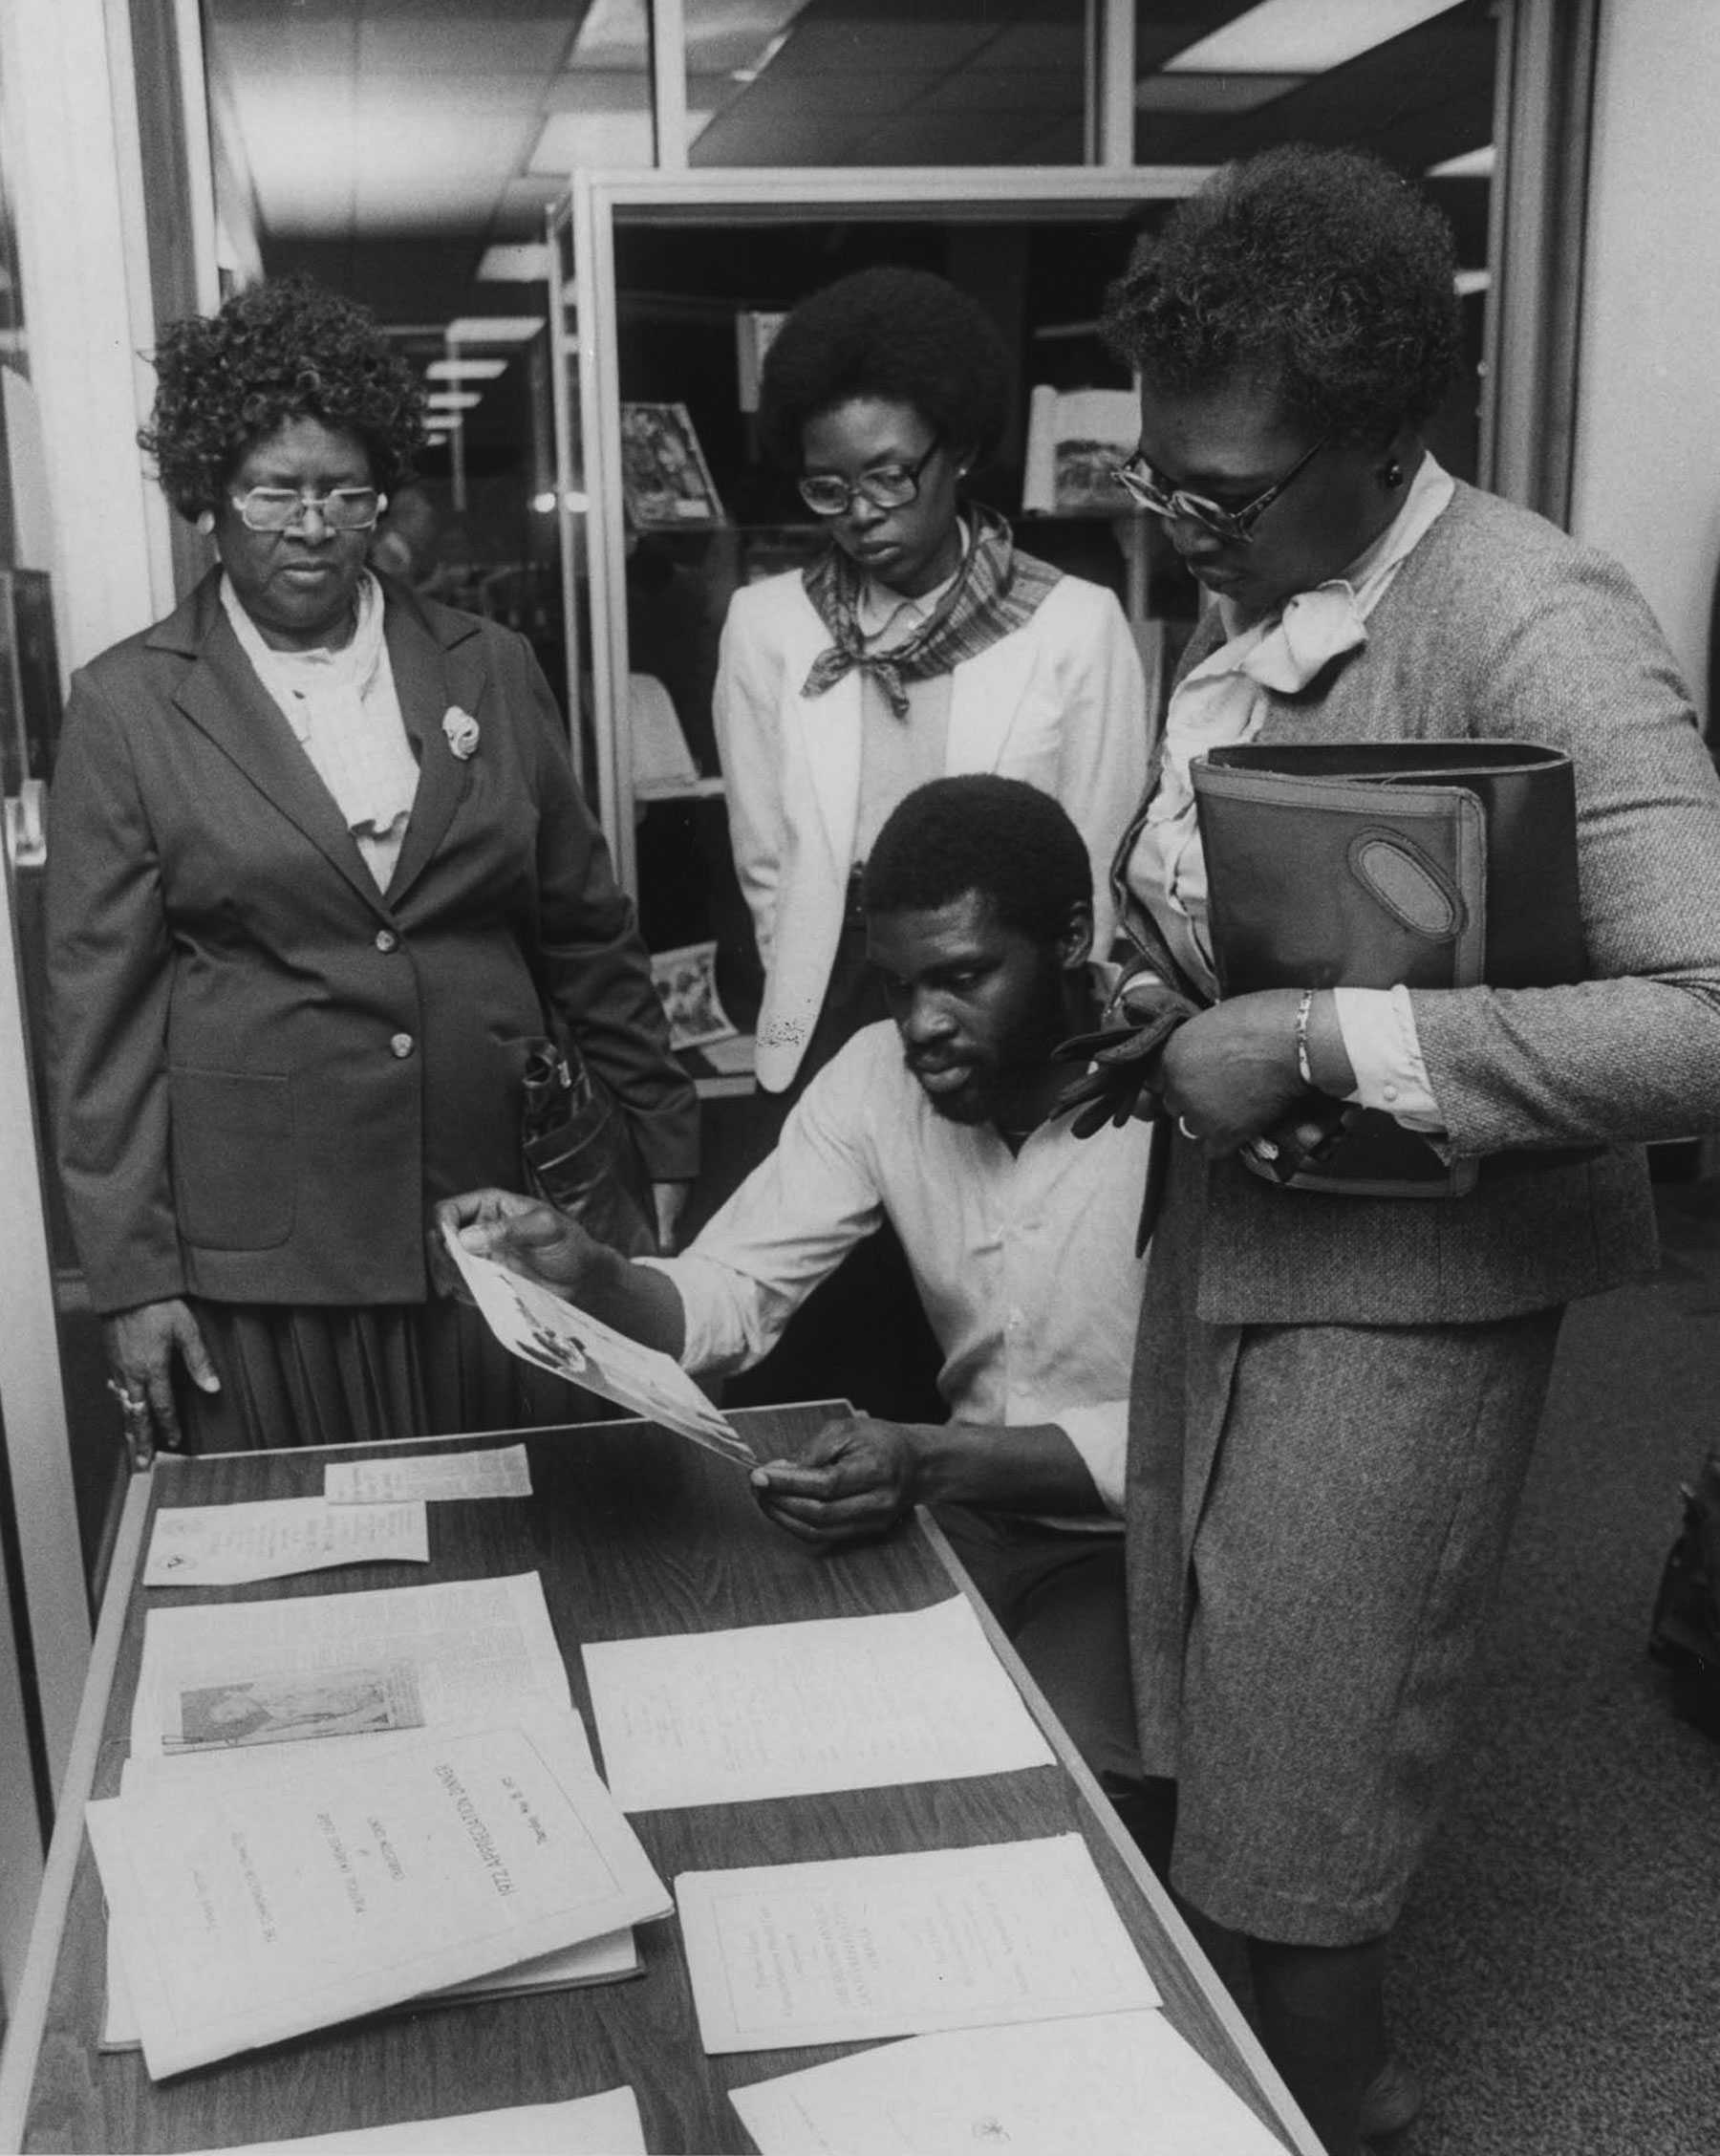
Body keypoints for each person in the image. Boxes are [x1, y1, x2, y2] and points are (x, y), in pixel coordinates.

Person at [1095, 146, 1720, 2153]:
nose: (1185, 527)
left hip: (1418, 1298)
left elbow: (1707, 1010)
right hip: (1233, 1251)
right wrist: (1173, 1005)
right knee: (1216, 1734)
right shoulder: (1257, 574)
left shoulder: (1537, 613)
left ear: (1382, 448)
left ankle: (1348, 2120)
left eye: (1229, 493)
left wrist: (1307, 1038)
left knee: (1307, 1791)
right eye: (1156, 478)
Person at [46, 276, 698, 1461]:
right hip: (270, 1255)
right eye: (273, 493)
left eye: (346, 493)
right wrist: (131, 1281)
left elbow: (584, 925)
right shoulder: (129, 706)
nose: (312, 526)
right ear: (207, 499)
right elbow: (102, 1021)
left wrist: (657, 1139)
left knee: (526, 1543)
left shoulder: (487, 666)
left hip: (489, 1218)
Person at [438, 776, 1157, 1849]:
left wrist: (928, 1463)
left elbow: (1212, 1436)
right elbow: (728, 1298)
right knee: (754, 1737)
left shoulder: (1179, 1091)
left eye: (963, 980)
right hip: (954, 1514)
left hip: (1133, 1549)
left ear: (1069, 938)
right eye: (897, 987)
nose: (922, 1024)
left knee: (1056, 1807)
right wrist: (591, 1273)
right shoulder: (876, 1077)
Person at [713, 264, 1148, 1419]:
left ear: (958, 454)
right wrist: (828, 992)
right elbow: (767, 861)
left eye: (890, 477)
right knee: (823, 1344)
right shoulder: (769, 627)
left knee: (999, 1325)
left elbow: (1100, 862)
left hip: (1008, 1003)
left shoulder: (1071, 625)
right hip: (838, 998)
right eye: (826, 490)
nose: (863, 515)